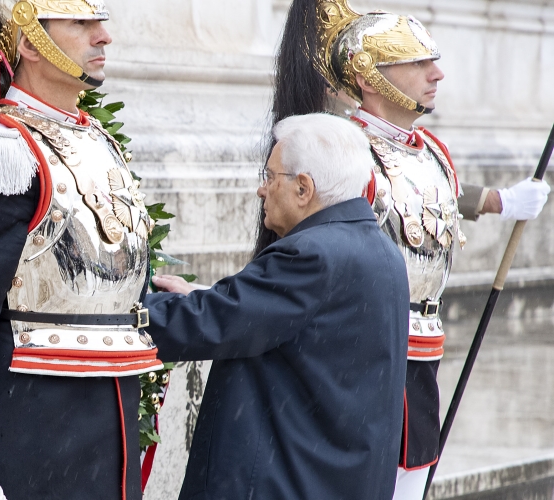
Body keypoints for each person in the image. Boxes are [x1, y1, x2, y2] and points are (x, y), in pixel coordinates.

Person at [263, 1, 552, 498]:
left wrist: (501, 201)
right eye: (417, 62)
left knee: (412, 477)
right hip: (359, 349)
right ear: (370, 76)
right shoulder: (341, 151)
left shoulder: (429, 148)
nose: (436, 73)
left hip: (422, 349)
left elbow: (432, 195)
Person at [0, 0, 164, 499]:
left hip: (104, 449)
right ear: (26, 43)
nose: (104, 36)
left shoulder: (96, 138)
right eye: (81, 22)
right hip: (34, 448)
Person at [146, 113, 409, 499]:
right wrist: (204, 296)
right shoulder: (380, 249)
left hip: (285, 481)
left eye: (270, 177)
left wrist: (108, 312)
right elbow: (286, 320)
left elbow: (215, 323)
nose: (261, 190)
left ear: (304, 188)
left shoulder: (312, 254)